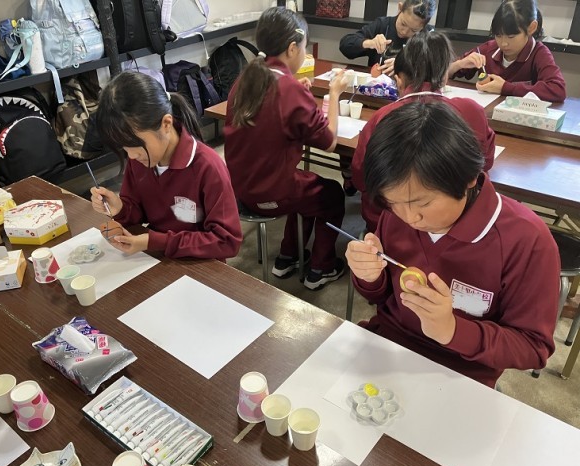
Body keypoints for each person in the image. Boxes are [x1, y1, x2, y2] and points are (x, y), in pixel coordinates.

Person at [345, 101, 558, 388]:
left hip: (463, 373)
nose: (409, 217)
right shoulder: (397, 212)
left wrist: (453, 330)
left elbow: (533, 347)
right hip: (389, 345)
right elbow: (383, 298)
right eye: (393, 203)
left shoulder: (526, 240)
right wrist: (370, 276)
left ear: (468, 178)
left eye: (422, 203)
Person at [224, 7, 348, 290]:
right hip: (271, 193)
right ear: (292, 48)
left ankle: (288, 256)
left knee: (304, 185)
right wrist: (334, 94)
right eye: (304, 47)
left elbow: (273, 109)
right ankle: (321, 268)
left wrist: (297, 90)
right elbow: (329, 142)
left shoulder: (246, 79)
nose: (303, 52)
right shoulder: (289, 90)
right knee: (331, 194)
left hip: (241, 188)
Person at [351, 30, 496, 231]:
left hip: (391, 222)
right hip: (454, 221)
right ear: (444, 77)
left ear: (399, 80)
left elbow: (361, 177)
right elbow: (484, 164)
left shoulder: (383, 116)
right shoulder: (471, 110)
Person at [90, 71, 242, 261]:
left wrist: (157, 241)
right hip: (156, 259)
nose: (131, 155)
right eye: (123, 147)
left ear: (166, 124)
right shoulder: (140, 159)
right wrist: (120, 208)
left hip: (201, 265)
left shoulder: (207, 167)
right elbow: (137, 213)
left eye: (135, 144)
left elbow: (227, 241)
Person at [448, 0, 566, 103]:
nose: (504, 43)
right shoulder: (488, 49)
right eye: (498, 35)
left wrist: (505, 88)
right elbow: (443, 73)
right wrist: (458, 65)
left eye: (511, 37)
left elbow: (558, 89)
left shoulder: (539, 53)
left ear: (531, 28)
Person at [339, 0, 436, 76]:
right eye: (403, 24)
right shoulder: (382, 25)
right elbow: (345, 45)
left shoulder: (428, 36)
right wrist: (369, 43)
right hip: (376, 88)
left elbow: (435, 69)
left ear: (423, 26)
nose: (404, 32)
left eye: (414, 30)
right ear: (400, 8)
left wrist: (403, 65)